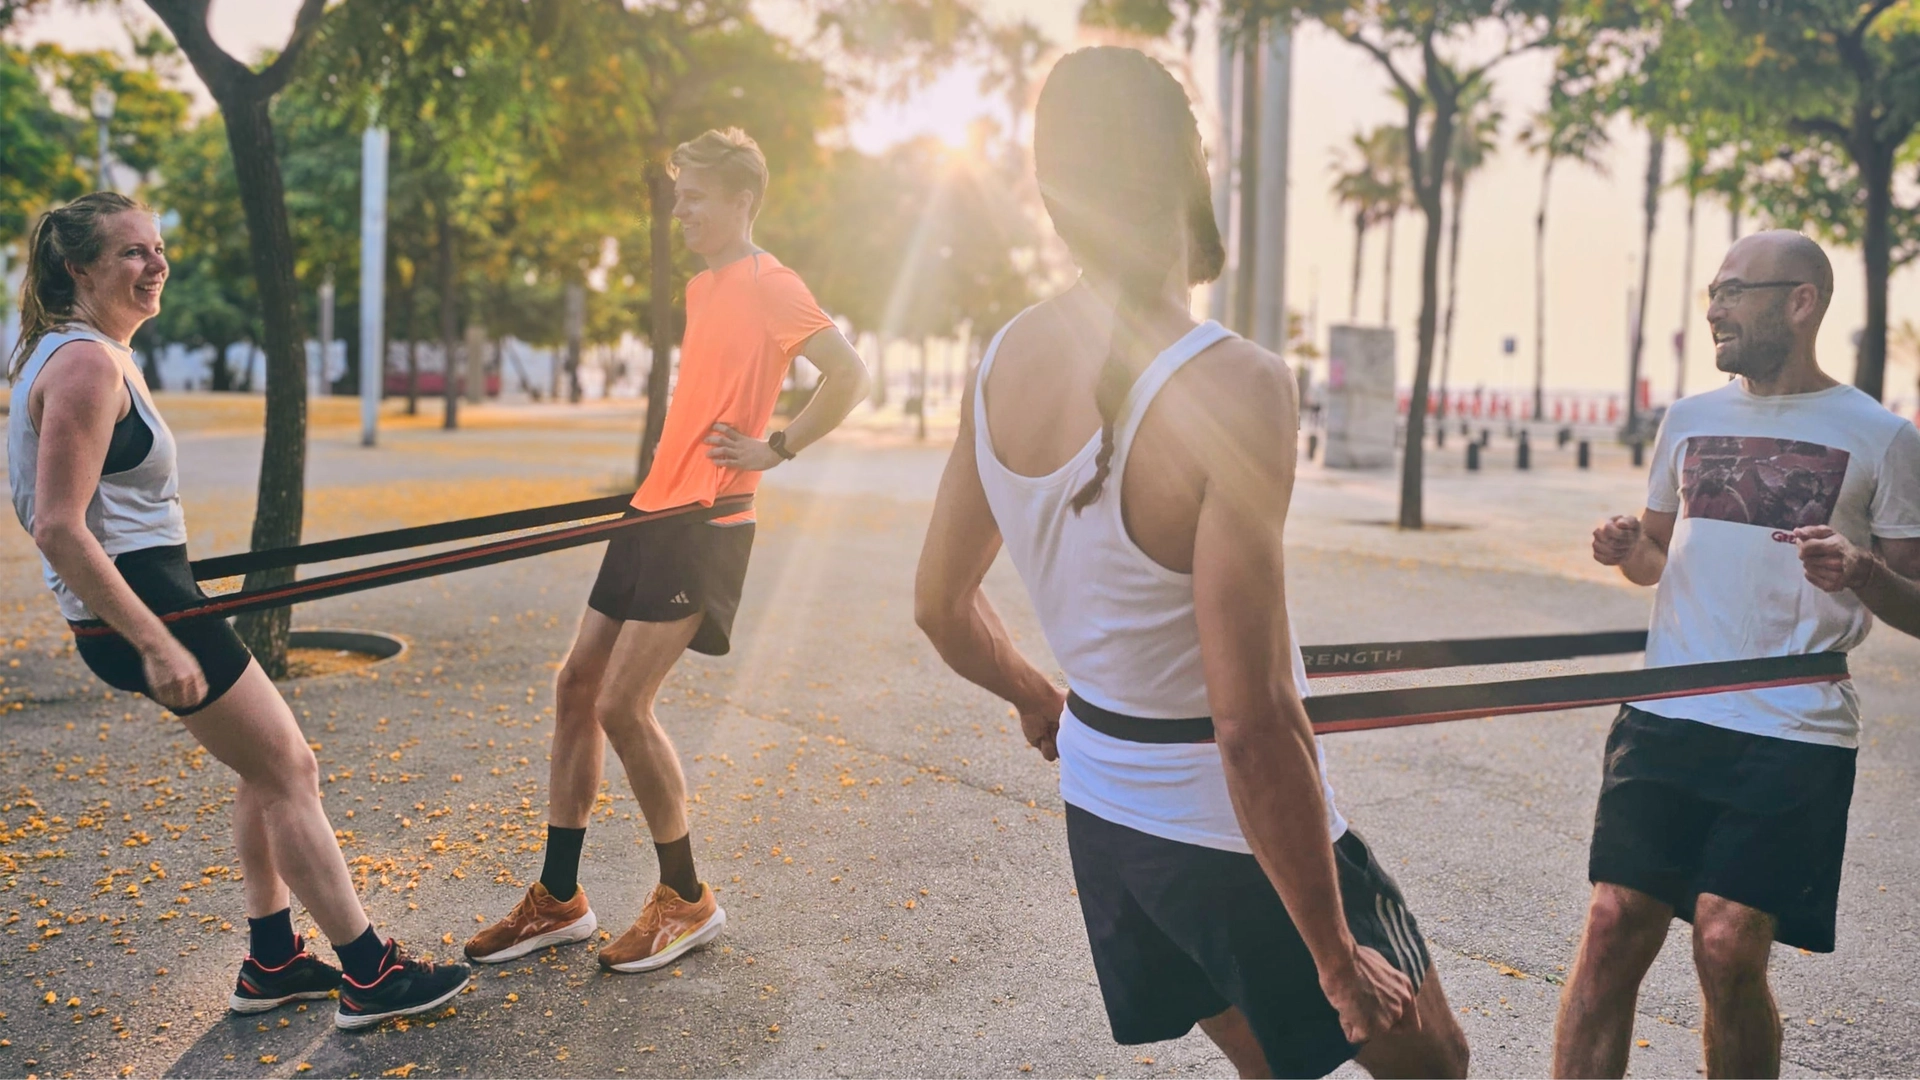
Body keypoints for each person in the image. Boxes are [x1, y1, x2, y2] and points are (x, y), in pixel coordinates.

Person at [913, 48, 1467, 1079]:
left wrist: (1042, 697)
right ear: (1190, 166)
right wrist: (1338, 960)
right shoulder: (1237, 385)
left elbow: (941, 607)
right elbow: (1252, 727)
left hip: (1107, 818)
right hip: (1219, 823)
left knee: (1265, 1063)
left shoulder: (1001, 361)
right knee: (1436, 1063)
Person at [7, 193, 472, 1030]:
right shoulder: (85, 365)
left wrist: (168, 599)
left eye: (156, 248)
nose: (155, 266)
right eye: (130, 254)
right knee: (290, 770)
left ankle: (271, 961)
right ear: (76, 268)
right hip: (143, 612)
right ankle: (369, 972)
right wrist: (153, 639)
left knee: (265, 770)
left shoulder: (74, 353)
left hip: (154, 597)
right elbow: (59, 528)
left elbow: (108, 513)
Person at [465, 128, 871, 974]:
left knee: (623, 704)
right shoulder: (705, 285)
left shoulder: (773, 283)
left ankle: (687, 899)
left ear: (742, 202)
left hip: (707, 524)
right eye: (678, 194)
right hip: (651, 509)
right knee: (576, 685)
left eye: (695, 197)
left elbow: (849, 373)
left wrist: (779, 446)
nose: (679, 208)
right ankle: (559, 898)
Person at [1559, 231, 1920, 1079]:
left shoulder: (1882, 435)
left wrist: (1863, 571)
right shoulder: (1688, 420)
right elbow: (1657, 559)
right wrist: (1625, 549)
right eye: (1711, 293)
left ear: (1801, 301)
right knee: (1614, 925)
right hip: (1666, 713)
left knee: (1727, 944)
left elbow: (1915, 598)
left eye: (1733, 291)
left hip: (1794, 728)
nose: (1714, 308)